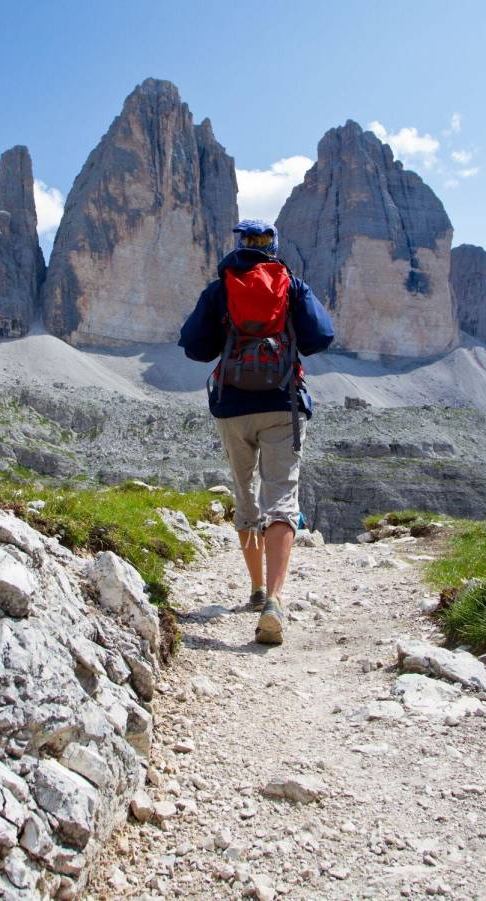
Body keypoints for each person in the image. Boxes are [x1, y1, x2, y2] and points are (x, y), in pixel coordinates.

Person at [178, 219, 334, 645]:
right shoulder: (292, 284)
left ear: (240, 245)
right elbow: (322, 336)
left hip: (231, 406)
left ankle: (256, 589)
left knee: (245, 496)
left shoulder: (220, 289)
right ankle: (275, 602)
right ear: (273, 247)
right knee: (281, 497)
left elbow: (194, 347)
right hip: (282, 403)